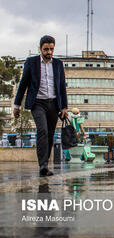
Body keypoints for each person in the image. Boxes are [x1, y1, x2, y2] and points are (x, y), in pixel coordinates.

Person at [13, 35, 68, 177]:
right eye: (46, 49)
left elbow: (62, 87)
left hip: (54, 104)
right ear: (40, 49)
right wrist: (16, 105)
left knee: (50, 134)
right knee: (42, 130)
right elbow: (23, 83)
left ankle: (45, 164)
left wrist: (64, 107)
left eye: (51, 49)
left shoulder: (58, 64)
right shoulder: (31, 62)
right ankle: (42, 165)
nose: (49, 52)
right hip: (37, 103)